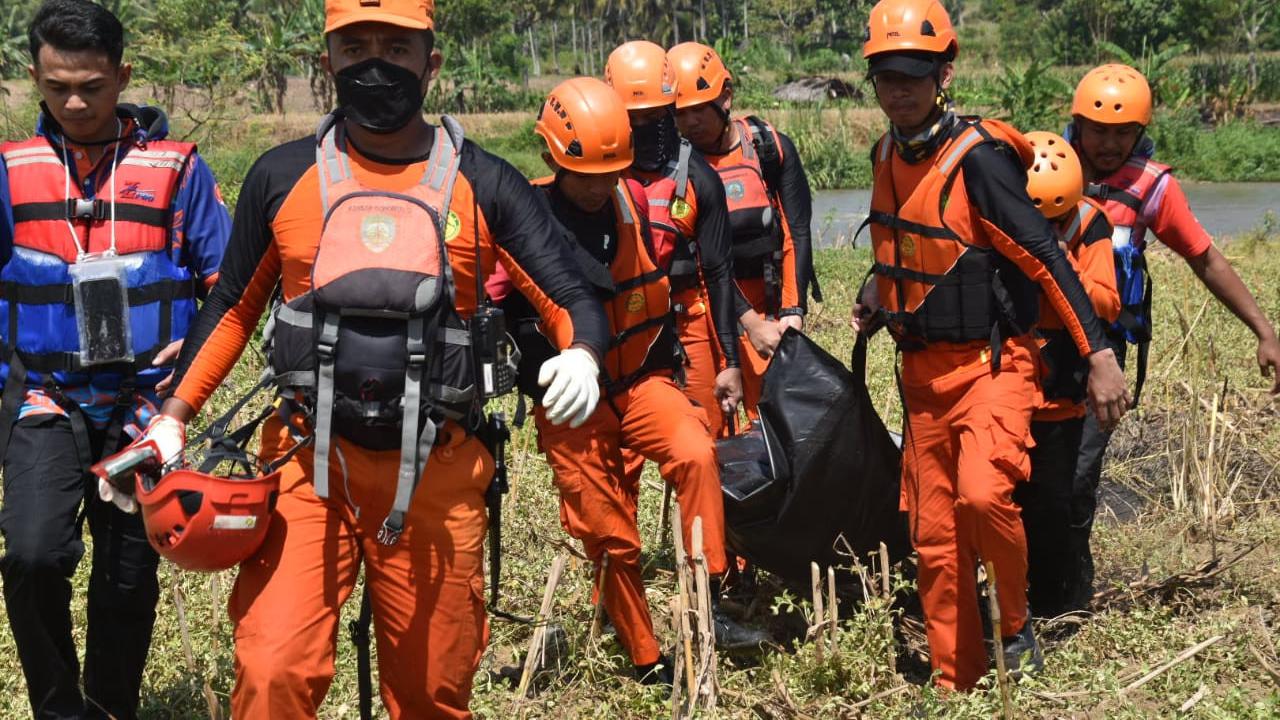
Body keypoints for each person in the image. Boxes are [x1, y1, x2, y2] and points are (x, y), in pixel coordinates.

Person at [103, 0, 611, 715]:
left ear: (431, 65)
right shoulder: (281, 176)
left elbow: (569, 294)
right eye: (357, 47)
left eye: (396, 48)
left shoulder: (484, 181)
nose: (377, 63)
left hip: (438, 466)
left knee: (433, 690)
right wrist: (172, 418)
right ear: (328, 65)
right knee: (272, 669)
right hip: (306, 465)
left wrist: (583, 353)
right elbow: (233, 310)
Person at [850, 0, 1130, 691]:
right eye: (887, 76)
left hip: (993, 367)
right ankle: (956, 682)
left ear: (944, 73)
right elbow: (908, 246)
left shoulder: (978, 162)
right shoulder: (886, 153)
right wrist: (877, 292)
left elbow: (1044, 258)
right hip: (920, 378)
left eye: (914, 74)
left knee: (981, 497)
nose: (900, 89)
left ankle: (1014, 622)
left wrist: (1098, 356)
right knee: (935, 542)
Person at [491, 77, 768, 683]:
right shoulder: (522, 219)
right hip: (570, 402)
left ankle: (713, 594)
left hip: (640, 377)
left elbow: (685, 276)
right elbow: (487, 309)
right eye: (585, 173)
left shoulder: (633, 204)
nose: (598, 187)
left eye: (610, 171)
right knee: (611, 532)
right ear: (550, 158)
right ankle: (646, 658)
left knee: (697, 452)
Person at [0, 1, 231, 716]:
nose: (74, 102)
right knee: (32, 556)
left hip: (145, 408)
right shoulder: (9, 171)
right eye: (56, 85)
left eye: (92, 86)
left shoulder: (178, 170)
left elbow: (227, 290)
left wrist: (180, 395)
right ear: (33, 75)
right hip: (45, 398)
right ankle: (59, 707)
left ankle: (110, 706)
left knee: (128, 574)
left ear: (122, 74)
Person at [1065, 63, 1280, 610]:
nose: (1108, 145)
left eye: (1122, 133)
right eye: (1097, 131)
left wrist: (1264, 330)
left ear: (1140, 133)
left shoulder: (1151, 188)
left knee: (1076, 482)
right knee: (1022, 476)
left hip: (1102, 363)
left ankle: (1067, 600)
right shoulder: (1039, 166)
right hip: (1033, 351)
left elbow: (1204, 258)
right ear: (1075, 126)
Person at [603, 39, 750, 437]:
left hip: (690, 323)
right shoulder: (596, 178)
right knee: (620, 457)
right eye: (634, 118)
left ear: (672, 109)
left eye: (655, 115)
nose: (643, 127)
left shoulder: (701, 178)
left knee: (709, 446)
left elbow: (719, 275)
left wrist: (731, 362)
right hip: (621, 330)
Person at [668, 41, 818, 416]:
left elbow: (795, 231)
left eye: (699, 109)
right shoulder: (673, 171)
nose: (690, 123)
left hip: (767, 315)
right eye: (679, 113)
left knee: (773, 433)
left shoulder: (769, 149)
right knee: (708, 438)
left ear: (727, 97)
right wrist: (746, 322)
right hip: (703, 319)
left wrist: (792, 311)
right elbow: (699, 259)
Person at [1013, 132, 1119, 618]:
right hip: (1013, 385)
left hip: (1066, 390)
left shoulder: (1090, 224)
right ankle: (1015, 597)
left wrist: (1060, 257)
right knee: (1012, 496)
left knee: (1064, 498)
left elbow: (1106, 303)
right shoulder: (996, 221)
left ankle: (1062, 604)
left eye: (1056, 219)